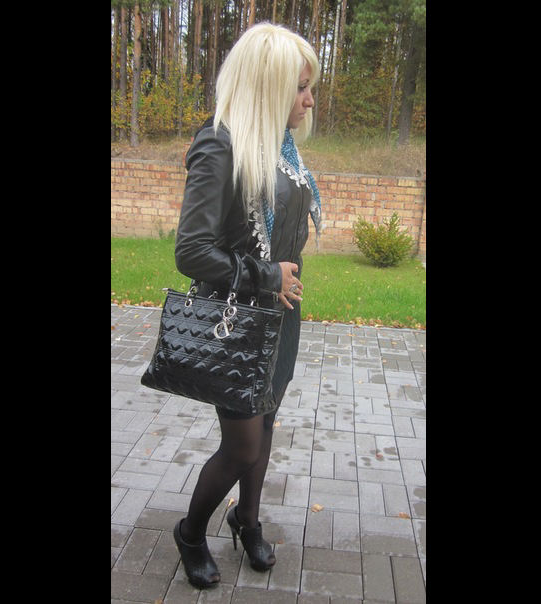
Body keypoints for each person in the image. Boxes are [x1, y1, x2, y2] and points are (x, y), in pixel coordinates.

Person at [172, 22, 321, 589]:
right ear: (268, 86)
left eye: (309, 87)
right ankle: (191, 532)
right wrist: (267, 274)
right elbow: (191, 250)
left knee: (267, 420)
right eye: (300, 88)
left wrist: (282, 277)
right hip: (233, 321)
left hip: (280, 316)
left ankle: (247, 519)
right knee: (242, 446)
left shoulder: (281, 148)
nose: (309, 100)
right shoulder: (220, 143)